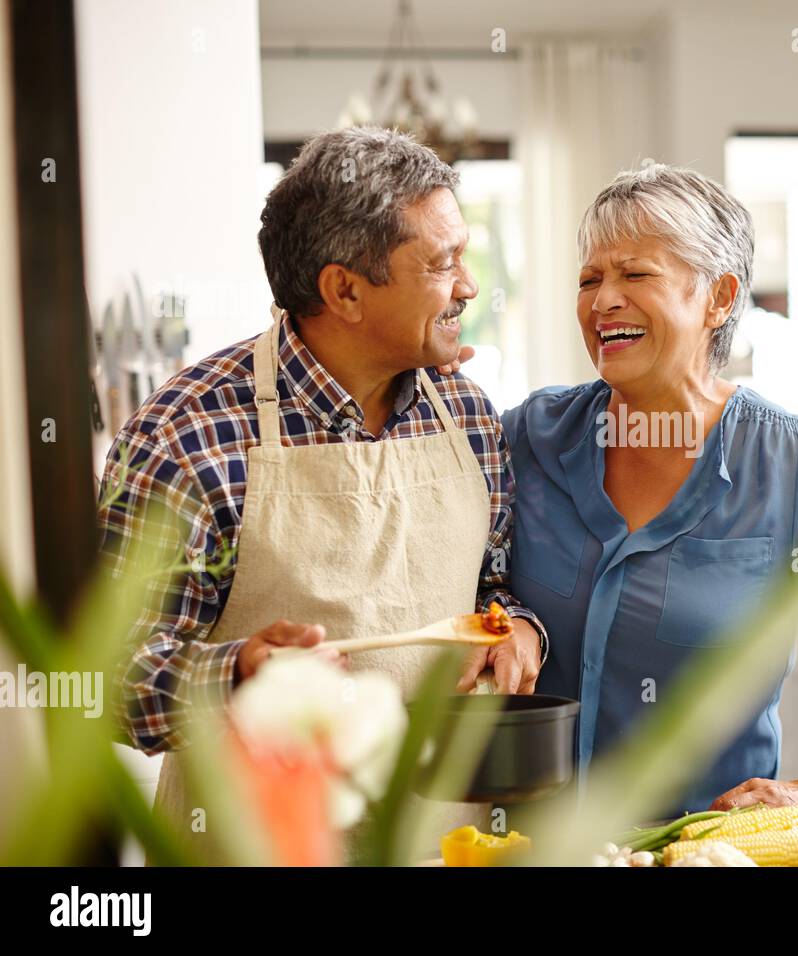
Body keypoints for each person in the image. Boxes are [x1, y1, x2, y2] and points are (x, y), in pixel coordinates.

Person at [98, 128, 545, 844]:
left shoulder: (466, 413)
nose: (468, 285)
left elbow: (491, 587)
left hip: (440, 841)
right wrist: (239, 675)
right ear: (345, 290)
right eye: (442, 263)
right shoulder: (187, 433)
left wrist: (517, 627)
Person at [502, 164, 798, 816]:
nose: (602, 301)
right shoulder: (532, 437)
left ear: (718, 297)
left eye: (635, 274)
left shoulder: (790, 461)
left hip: (703, 852)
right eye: (589, 280)